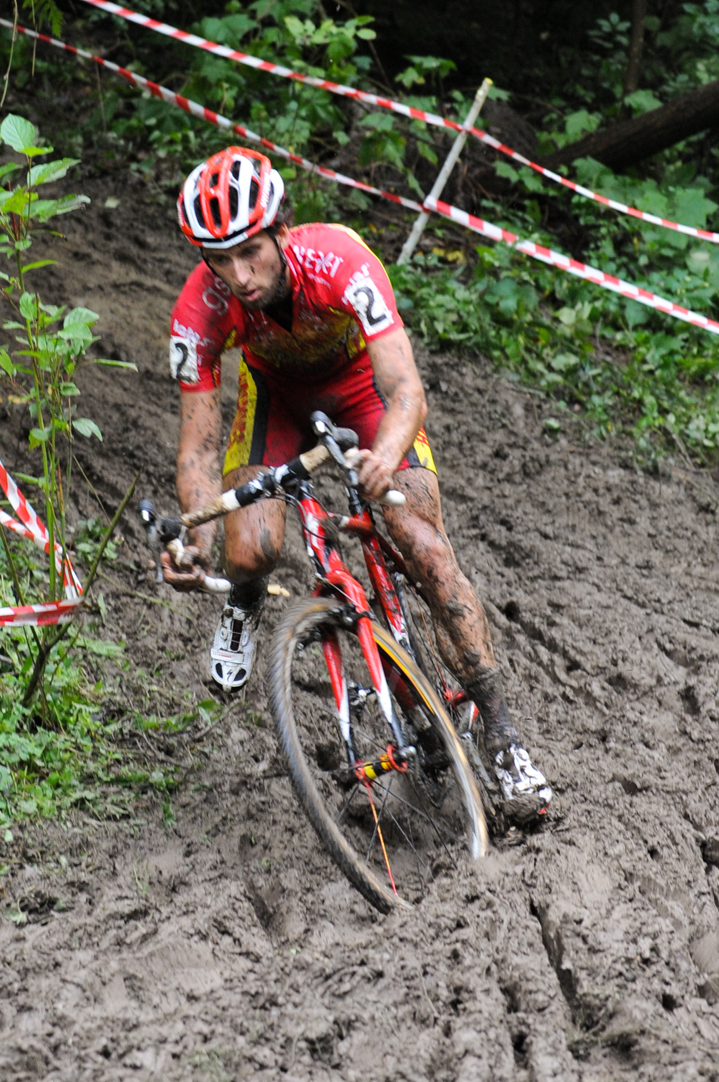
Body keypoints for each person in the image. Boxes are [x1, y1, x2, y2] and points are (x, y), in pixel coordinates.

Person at [161, 145, 550, 818]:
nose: (238, 275)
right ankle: (243, 603)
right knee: (249, 543)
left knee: (421, 541)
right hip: (276, 400)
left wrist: (384, 455)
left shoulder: (341, 259)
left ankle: (503, 736)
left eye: (249, 251)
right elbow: (197, 447)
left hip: (366, 396)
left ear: (280, 228)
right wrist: (192, 534)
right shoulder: (200, 308)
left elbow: (405, 389)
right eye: (217, 259)